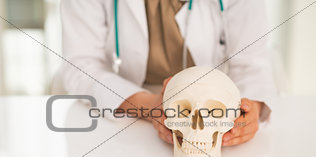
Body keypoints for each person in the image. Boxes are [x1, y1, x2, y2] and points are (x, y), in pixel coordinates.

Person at [59, 0, 276, 146]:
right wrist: (151, 106)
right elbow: (81, 64)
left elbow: (252, 64)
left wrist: (251, 109)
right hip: (132, 102)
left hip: (213, 104)